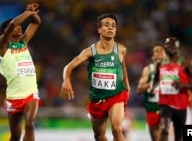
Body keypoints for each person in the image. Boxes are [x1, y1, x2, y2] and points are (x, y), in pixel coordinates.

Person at [61, 13, 130, 141]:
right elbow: (68, 66)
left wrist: (127, 86)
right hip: (97, 99)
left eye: (113, 26)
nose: (110, 28)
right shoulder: (89, 51)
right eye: (106, 25)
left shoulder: (121, 49)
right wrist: (66, 80)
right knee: (99, 135)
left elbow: (123, 67)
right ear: (99, 29)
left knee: (117, 129)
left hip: (116, 95)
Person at [0, 3, 41, 141]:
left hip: (30, 94)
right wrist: (27, 12)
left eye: (19, 26)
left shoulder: (23, 43)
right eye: (16, 26)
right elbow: (12, 24)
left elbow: (36, 23)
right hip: (13, 97)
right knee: (15, 136)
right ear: (6, 32)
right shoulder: (3, 45)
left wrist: (33, 13)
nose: (19, 26)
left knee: (29, 124)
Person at [150, 37, 192, 141]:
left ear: (178, 47)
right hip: (165, 102)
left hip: (181, 105)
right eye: (169, 45)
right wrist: (153, 89)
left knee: (178, 137)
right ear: (165, 47)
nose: (171, 47)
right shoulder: (160, 63)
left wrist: (183, 85)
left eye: (174, 45)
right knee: (164, 129)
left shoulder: (186, 63)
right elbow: (156, 80)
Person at [137, 44, 166, 141]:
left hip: (166, 107)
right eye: (156, 51)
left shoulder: (170, 69)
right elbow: (139, 90)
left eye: (162, 51)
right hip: (152, 108)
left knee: (163, 136)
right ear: (152, 56)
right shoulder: (148, 70)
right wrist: (153, 82)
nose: (159, 53)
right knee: (155, 138)